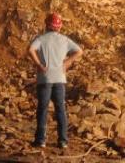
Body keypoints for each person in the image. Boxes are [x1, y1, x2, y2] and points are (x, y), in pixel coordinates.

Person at [27, 12, 83, 149]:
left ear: (47, 25)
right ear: (59, 26)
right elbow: (79, 51)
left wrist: (39, 64)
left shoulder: (41, 39)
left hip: (44, 78)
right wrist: (67, 62)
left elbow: (30, 50)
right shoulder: (64, 40)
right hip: (59, 78)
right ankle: (63, 141)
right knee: (60, 110)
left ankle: (40, 141)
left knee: (43, 109)